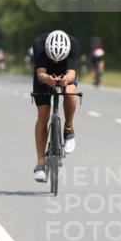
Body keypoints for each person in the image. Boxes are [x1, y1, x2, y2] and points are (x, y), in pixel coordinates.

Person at [31, 29, 79, 183]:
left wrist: (66, 79)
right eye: (54, 58)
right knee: (43, 115)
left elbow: (72, 73)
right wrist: (47, 79)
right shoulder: (39, 44)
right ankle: (40, 163)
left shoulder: (72, 44)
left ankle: (68, 128)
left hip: (66, 72)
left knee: (70, 91)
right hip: (45, 73)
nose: (56, 61)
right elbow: (40, 74)